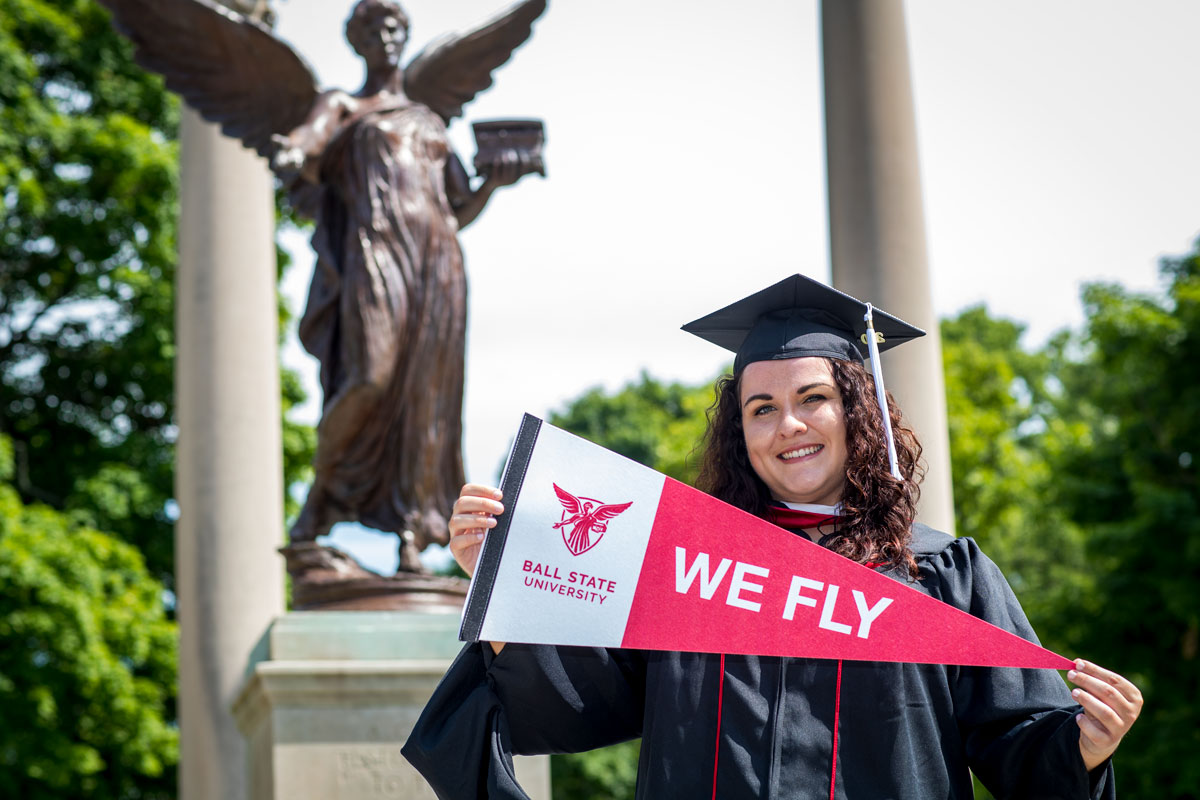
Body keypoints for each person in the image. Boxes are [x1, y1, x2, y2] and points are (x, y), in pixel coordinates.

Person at [403, 275, 1142, 798]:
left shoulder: (942, 572)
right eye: (761, 408)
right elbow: (582, 700)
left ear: (857, 412)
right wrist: (508, 583)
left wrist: (1083, 746)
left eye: (812, 399)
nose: (787, 425)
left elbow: (1016, 743)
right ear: (739, 430)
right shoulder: (684, 569)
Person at [275, 0, 535, 558]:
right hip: (375, 253)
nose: (385, 36)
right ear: (357, 41)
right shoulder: (344, 105)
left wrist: (494, 180)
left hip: (438, 263)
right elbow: (308, 137)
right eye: (372, 28)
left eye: (393, 26)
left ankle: (414, 527)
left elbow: (458, 205)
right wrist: (292, 150)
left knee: (429, 397)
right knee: (371, 375)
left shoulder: (430, 120)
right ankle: (322, 495)